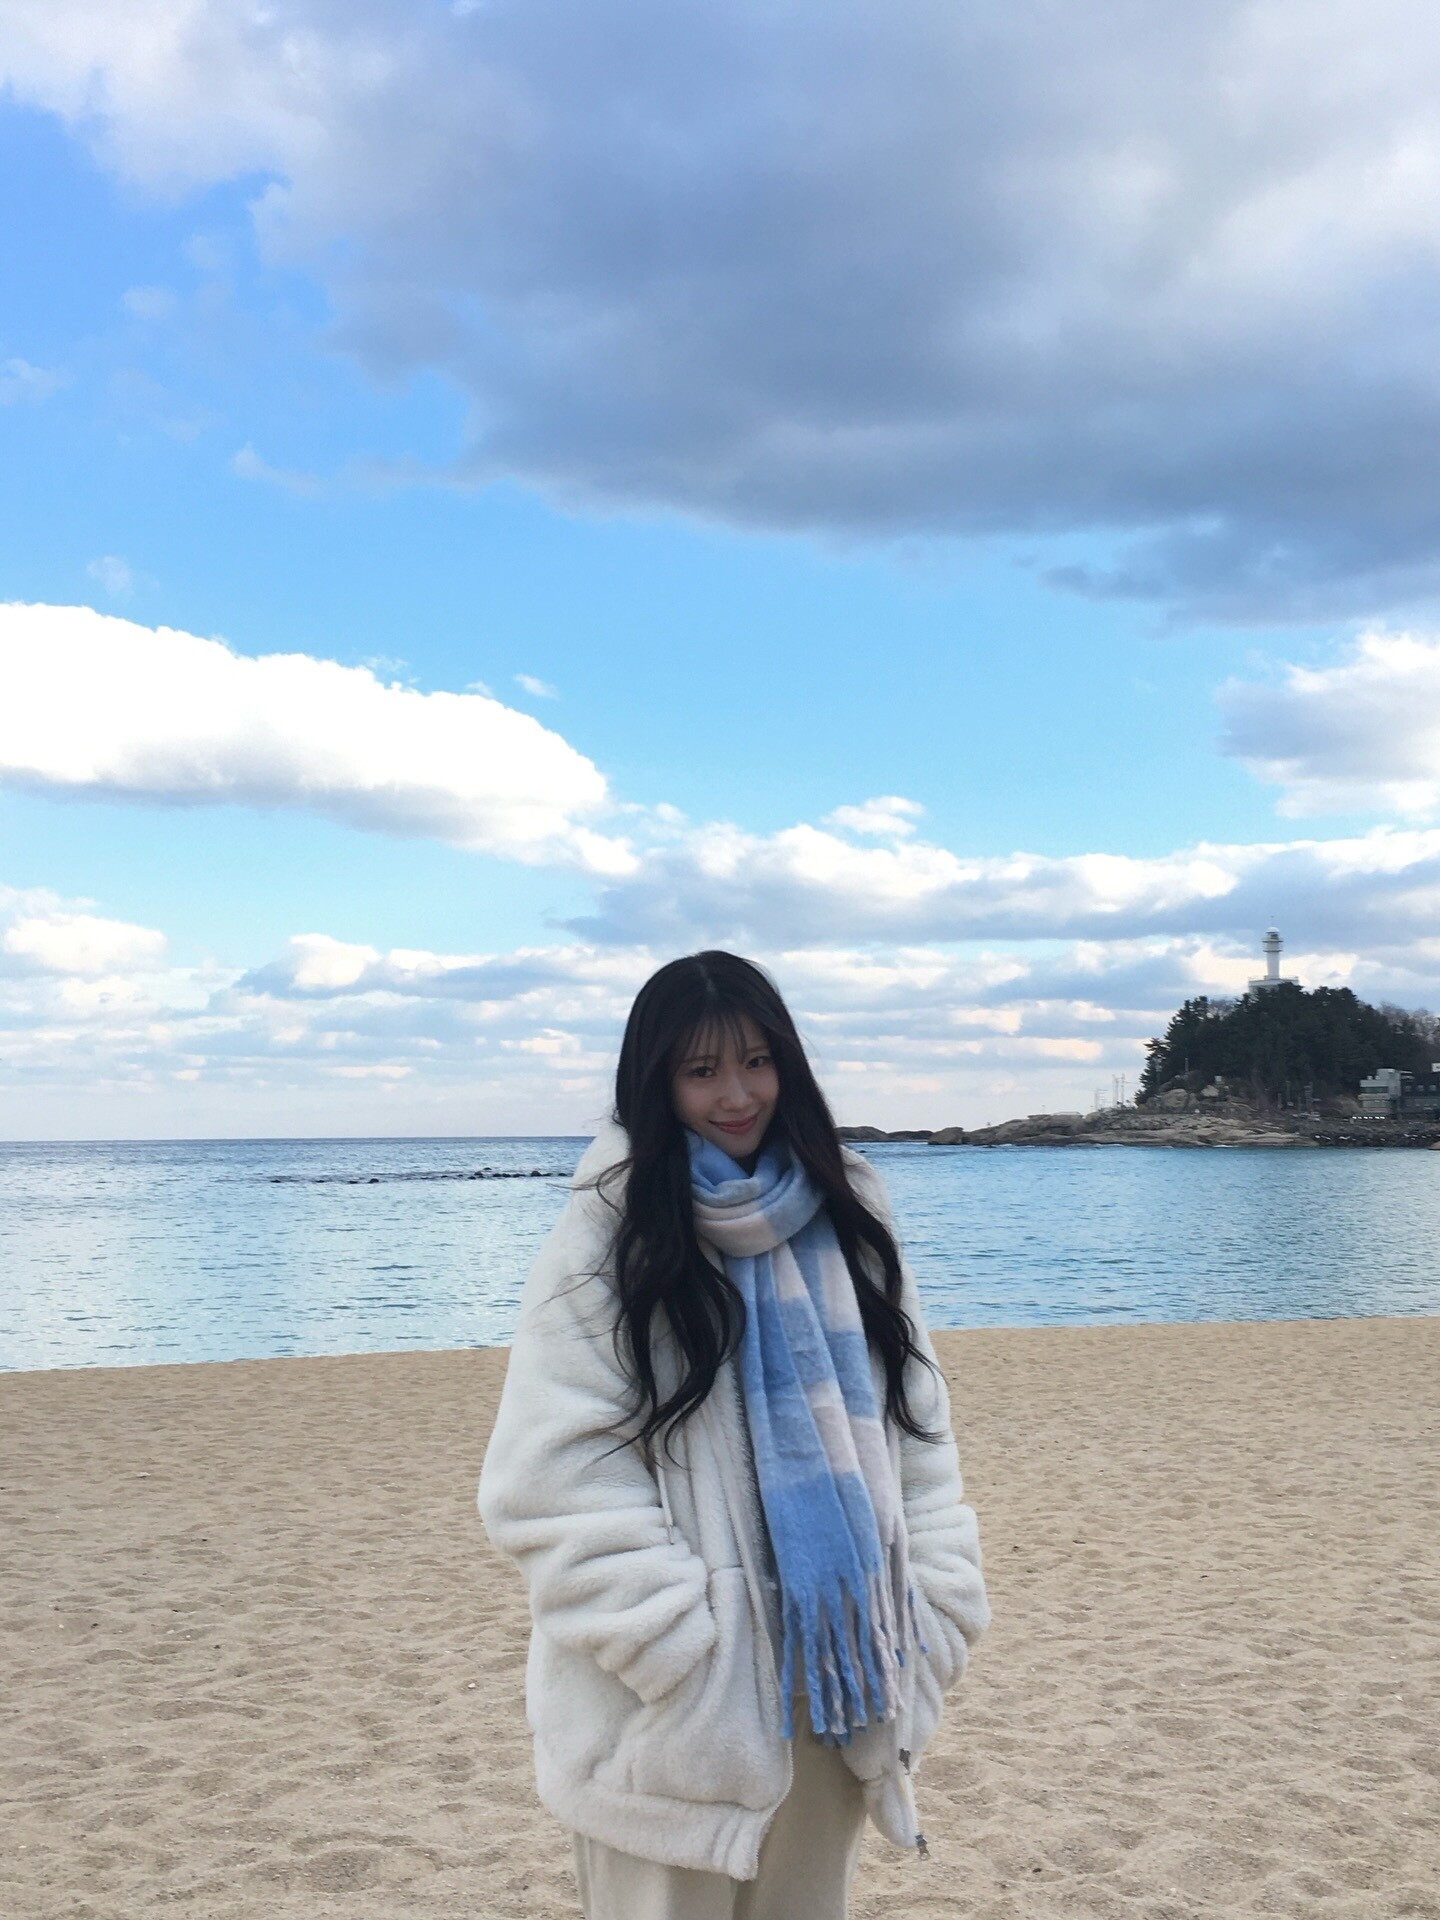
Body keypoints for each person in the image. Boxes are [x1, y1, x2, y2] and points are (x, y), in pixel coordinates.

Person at [478, 951, 989, 1920]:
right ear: (656, 1081)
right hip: (673, 1729)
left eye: (757, 1062)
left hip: (840, 1690)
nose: (738, 1095)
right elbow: (549, 1481)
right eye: (702, 1070)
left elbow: (917, 1427)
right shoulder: (610, 1236)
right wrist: (686, 1655)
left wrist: (936, 1610)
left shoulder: (849, 1212)